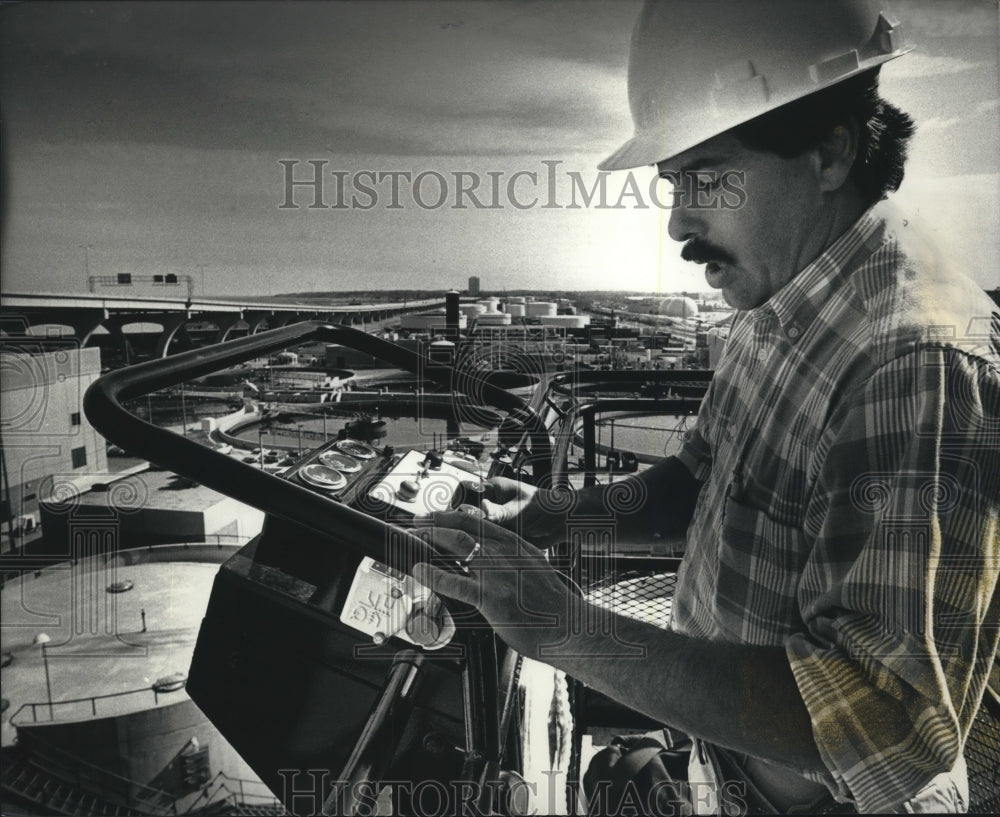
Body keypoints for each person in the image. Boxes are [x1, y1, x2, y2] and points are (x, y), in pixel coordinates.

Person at [413, 1, 1000, 813]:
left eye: (707, 177)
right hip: (733, 766)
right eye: (672, 181)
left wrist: (563, 627)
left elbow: (882, 722)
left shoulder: (913, 361)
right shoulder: (780, 294)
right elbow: (701, 476)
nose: (680, 221)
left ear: (829, 150)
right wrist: (551, 512)